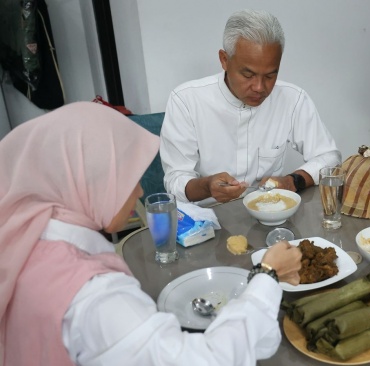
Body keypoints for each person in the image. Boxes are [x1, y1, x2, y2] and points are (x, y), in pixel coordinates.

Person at [0, 102, 303, 365]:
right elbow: (206, 360)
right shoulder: (95, 298)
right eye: (129, 178)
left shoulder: (23, 239)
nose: (141, 191)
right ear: (89, 183)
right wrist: (267, 276)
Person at [160, 9, 341, 205]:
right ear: (224, 60)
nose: (259, 87)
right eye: (248, 75)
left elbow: (329, 157)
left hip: (269, 214)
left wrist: (292, 181)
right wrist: (207, 186)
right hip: (207, 220)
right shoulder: (186, 101)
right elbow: (175, 180)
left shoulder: (293, 99)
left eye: (270, 76)